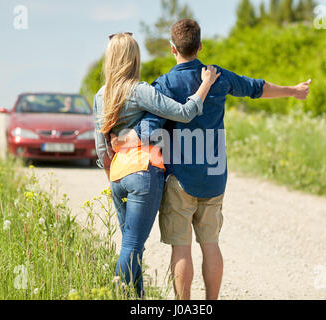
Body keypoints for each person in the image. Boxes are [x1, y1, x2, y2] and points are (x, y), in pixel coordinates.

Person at [112, 19, 310, 300]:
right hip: (215, 177)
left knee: (181, 248)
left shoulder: (165, 84)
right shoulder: (217, 76)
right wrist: (293, 90)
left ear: (172, 49)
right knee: (210, 244)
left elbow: (150, 128)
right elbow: (256, 87)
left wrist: (122, 140)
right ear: (200, 46)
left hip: (180, 179)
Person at [93, 32, 220, 298]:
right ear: (134, 58)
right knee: (132, 245)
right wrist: (205, 83)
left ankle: (137, 298)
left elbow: (102, 148)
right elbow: (185, 113)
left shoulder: (100, 95)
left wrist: (112, 176)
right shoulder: (140, 91)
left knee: (131, 243)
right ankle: (120, 295)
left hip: (117, 176)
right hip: (143, 172)